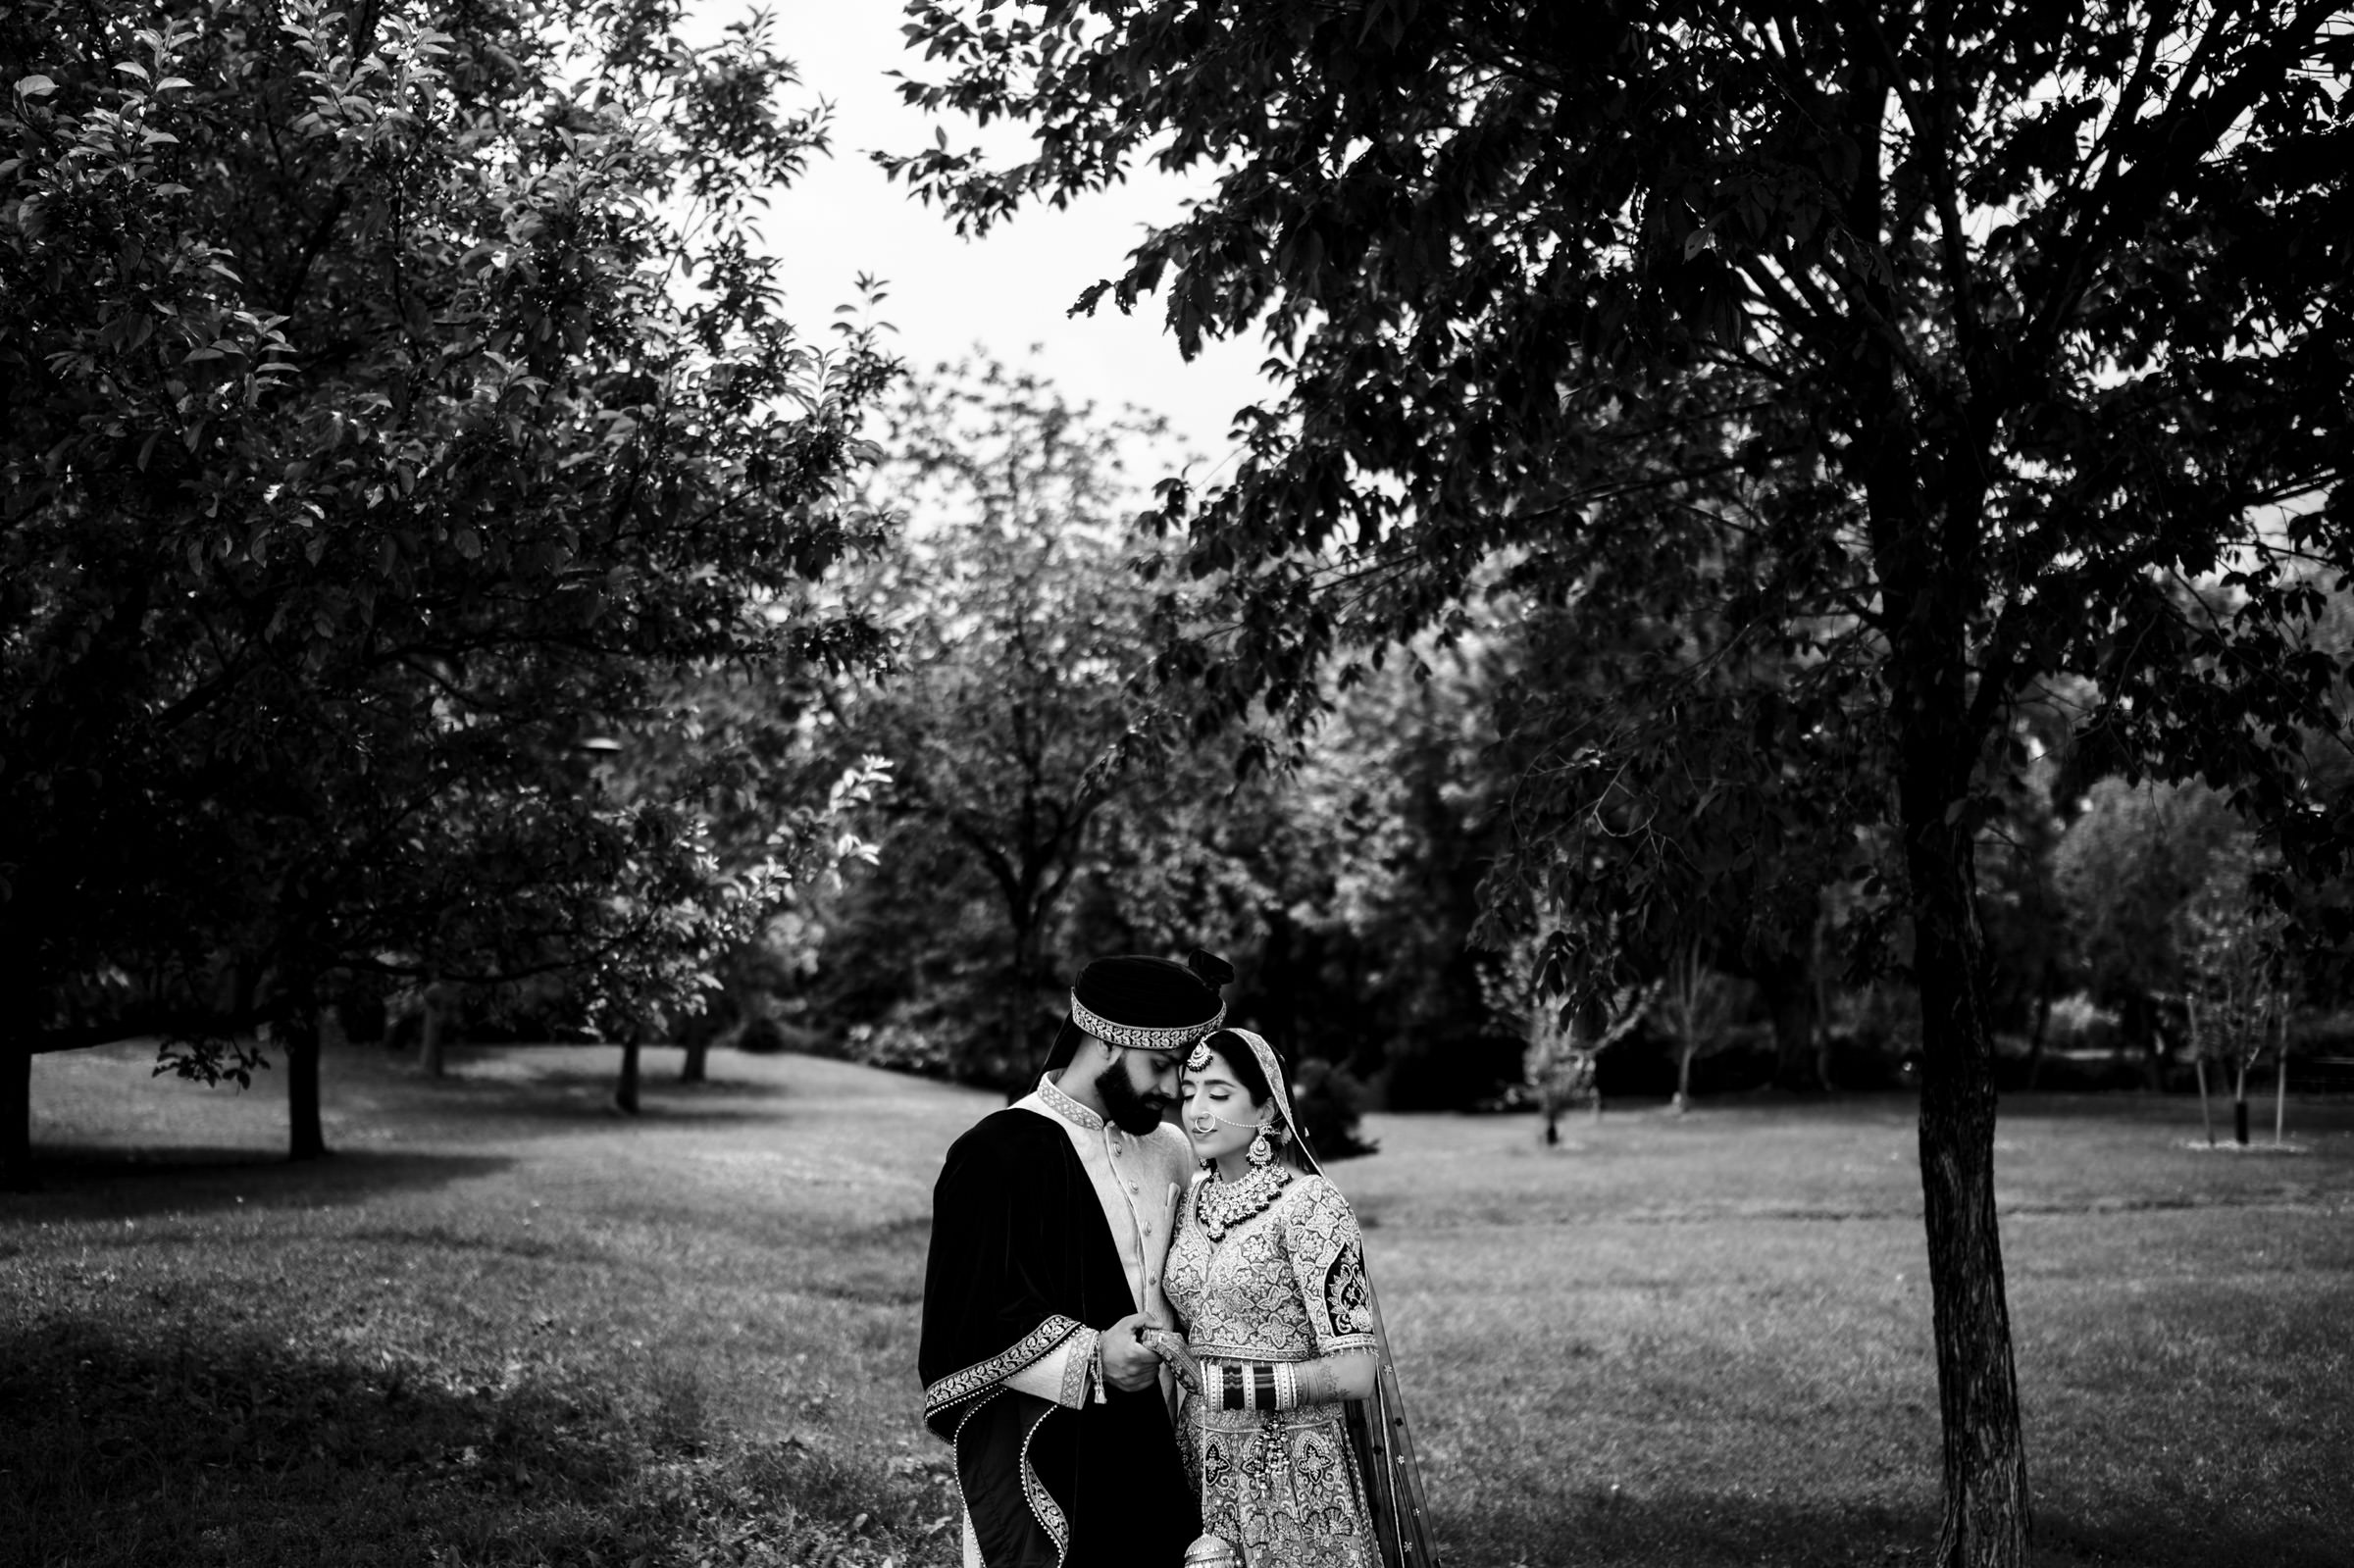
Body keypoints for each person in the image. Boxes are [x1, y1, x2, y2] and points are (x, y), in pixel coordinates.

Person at [919, 950, 1233, 1568]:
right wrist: (1093, 1357)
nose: (1172, 1092)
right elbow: (966, 1324)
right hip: (1058, 1448)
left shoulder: (1170, 1149)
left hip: (1170, 1446)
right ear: (1108, 1042)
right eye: (1162, 1067)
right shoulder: (995, 1154)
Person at [1160, 1028, 1442, 1568]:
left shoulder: (1311, 1206)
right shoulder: (1192, 1194)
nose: (1197, 1109)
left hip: (1289, 1463)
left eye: (1219, 1094)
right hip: (1199, 1455)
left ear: (1267, 1108)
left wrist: (1222, 1385)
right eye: (1189, 1090)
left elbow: (1357, 1372)